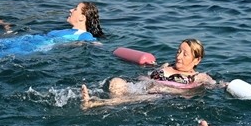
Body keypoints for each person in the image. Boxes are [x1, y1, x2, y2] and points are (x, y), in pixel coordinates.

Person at [81, 38, 214, 108]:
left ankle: (97, 103)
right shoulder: (166, 65)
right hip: (141, 87)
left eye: (185, 54)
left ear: (197, 60)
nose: (179, 56)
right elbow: (147, 75)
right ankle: (111, 106)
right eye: (178, 51)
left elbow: (216, 85)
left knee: (149, 97)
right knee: (116, 82)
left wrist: (166, 89)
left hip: (159, 95)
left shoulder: (199, 77)